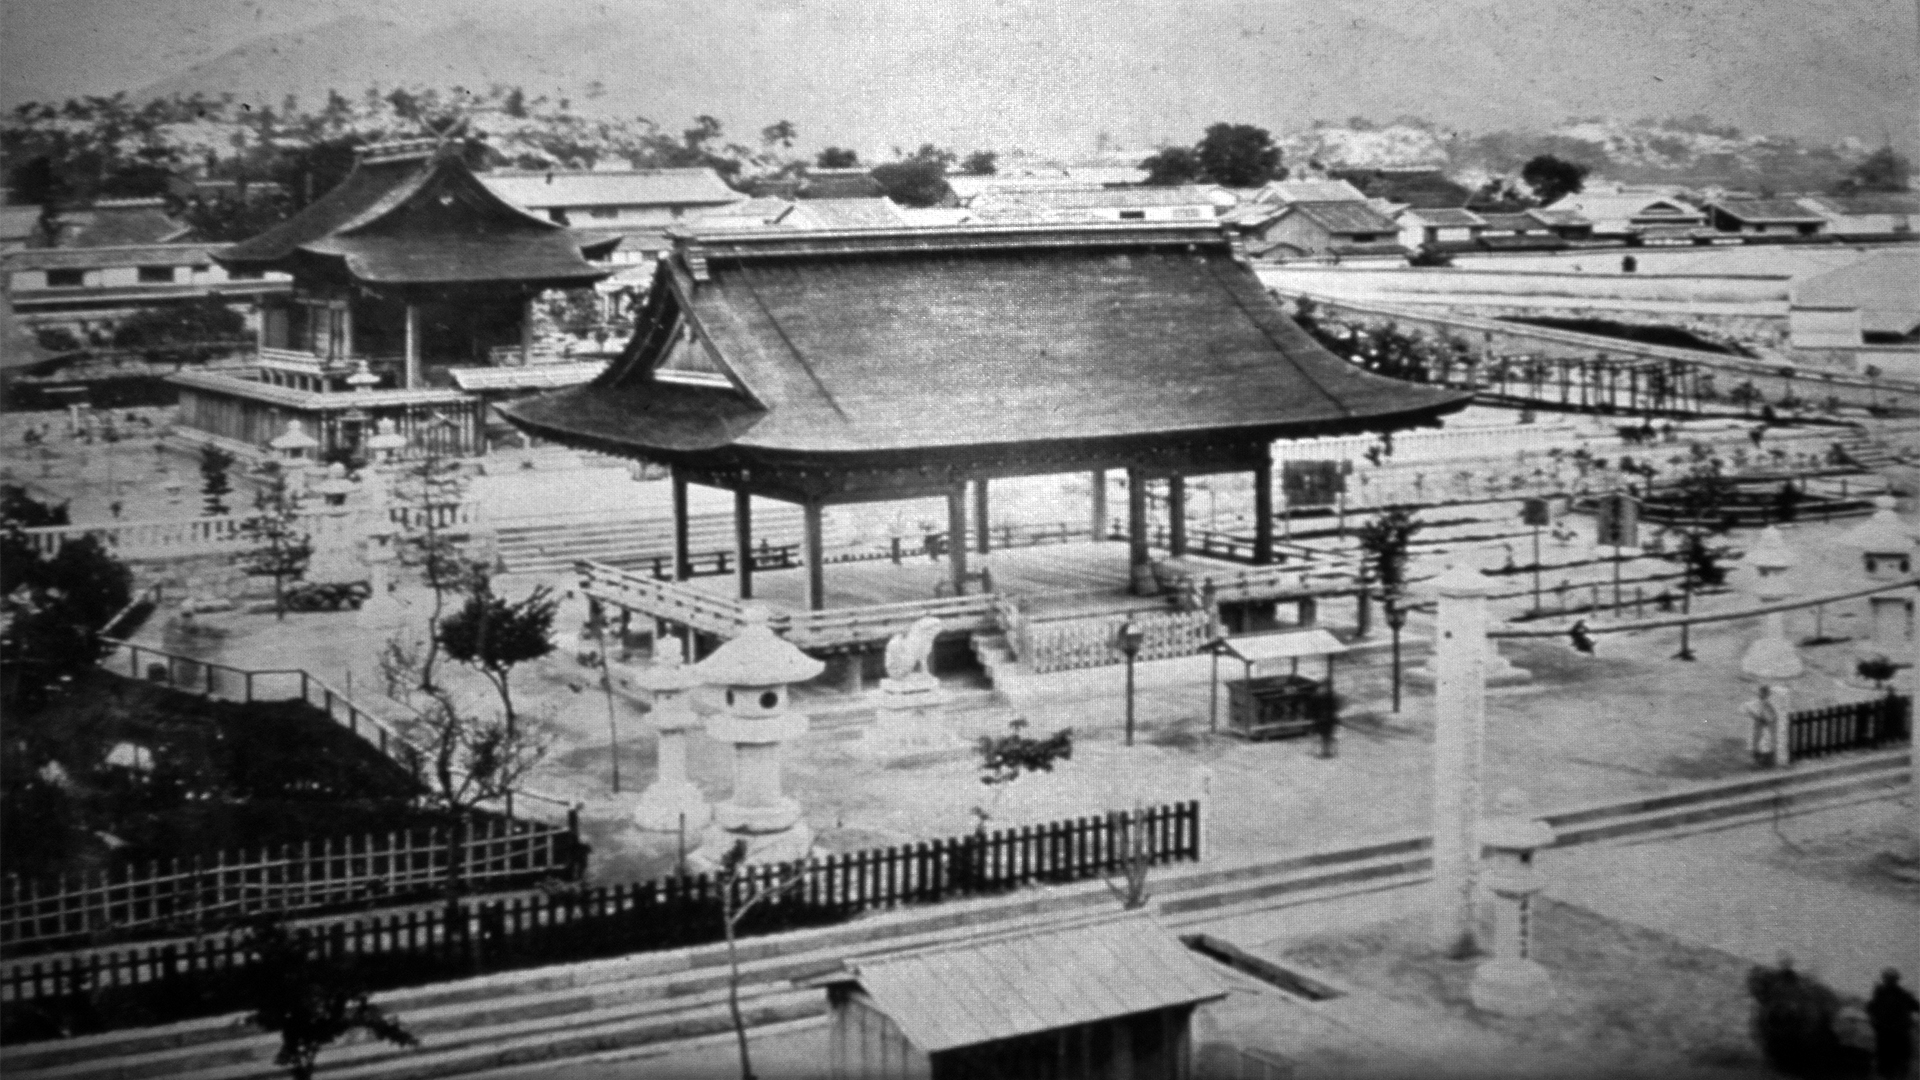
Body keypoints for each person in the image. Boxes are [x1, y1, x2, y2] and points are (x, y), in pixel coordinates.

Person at [1868, 969, 1918, 1079]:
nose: (1889, 981)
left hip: (1891, 1034)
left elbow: (1871, 1009)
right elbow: (1915, 1006)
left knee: (1893, 1065)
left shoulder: (1885, 994)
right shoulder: (1899, 994)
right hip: (1892, 1034)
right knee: (1895, 1065)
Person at [1744, 685, 1779, 767]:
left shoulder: (1768, 704)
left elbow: (1773, 716)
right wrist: (1755, 716)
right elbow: (1747, 709)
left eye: (1764, 693)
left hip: (1765, 726)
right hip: (1758, 725)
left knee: (1764, 742)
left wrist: (1766, 719)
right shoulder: (1757, 703)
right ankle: (1757, 759)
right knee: (1756, 741)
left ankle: (1764, 760)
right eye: (1761, 693)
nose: (1761, 695)